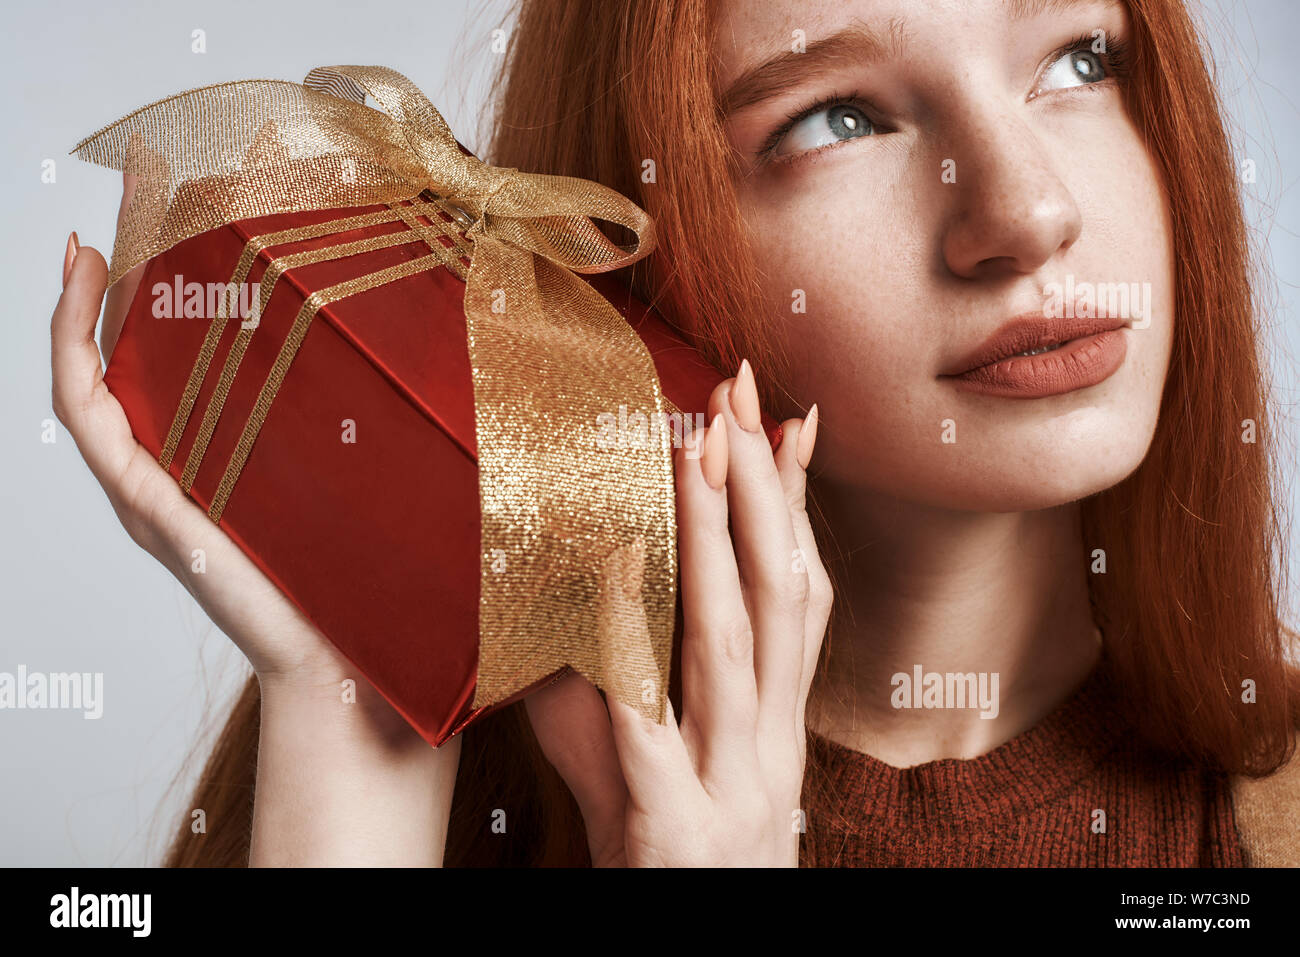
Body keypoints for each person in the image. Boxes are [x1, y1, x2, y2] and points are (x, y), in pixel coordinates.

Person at [50, 0, 1300, 867]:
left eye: (1082, 57)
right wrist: (355, 711)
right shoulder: (457, 783)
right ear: (635, 254)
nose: (1028, 211)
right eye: (840, 118)